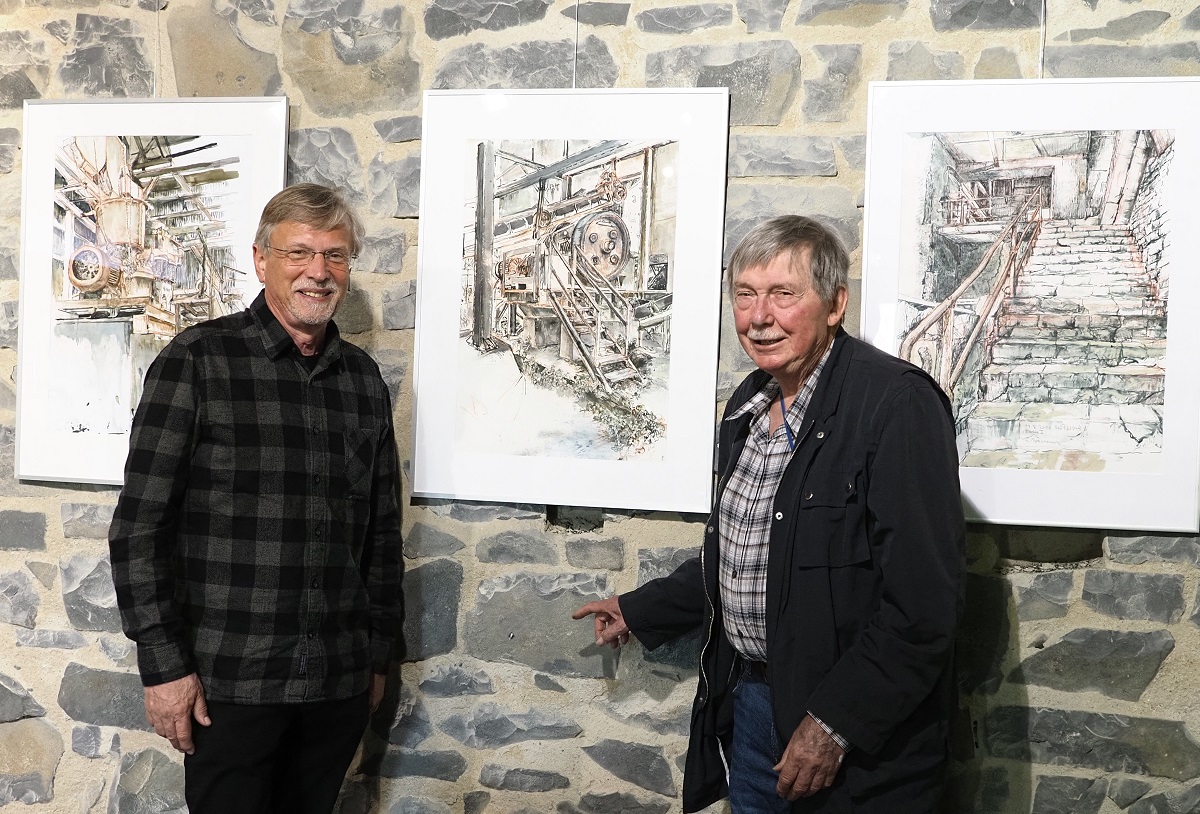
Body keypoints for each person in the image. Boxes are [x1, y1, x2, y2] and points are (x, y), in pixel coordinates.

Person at [574, 215, 965, 813]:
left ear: (835, 305)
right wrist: (640, 608)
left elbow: (924, 609)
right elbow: (742, 553)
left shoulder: (896, 406)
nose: (760, 317)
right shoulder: (750, 404)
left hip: (853, 734)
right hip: (754, 707)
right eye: (745, 295)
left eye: (784, 295)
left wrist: (835, 723)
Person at [109, 183, 404, 814]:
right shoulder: (197, 361)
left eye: (335, 256)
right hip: (228, 683)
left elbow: (381, 536)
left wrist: (376, 657)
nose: (318, 273)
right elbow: (138, 530)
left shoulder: (362, 381)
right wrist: (164, 668)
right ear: (261, 259)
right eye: (299, 252)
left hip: (336, 684)